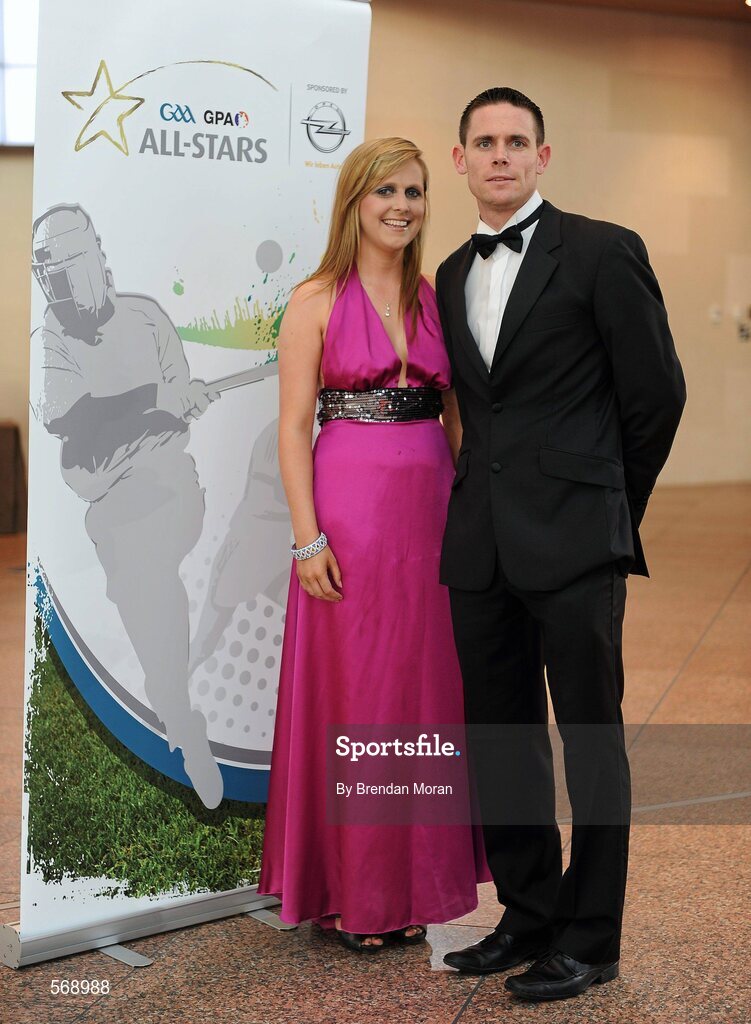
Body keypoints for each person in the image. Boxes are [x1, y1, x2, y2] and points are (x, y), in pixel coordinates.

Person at [437, 89, 685, 1000]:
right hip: (479, 547)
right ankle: (528, 915)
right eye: (483, 142)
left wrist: (608, 505)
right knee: (501, 741)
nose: (499, 156)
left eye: (515, 142)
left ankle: (592, 939)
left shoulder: (603, 249)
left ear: (543, 157)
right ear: (459, 158)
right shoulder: (451, 272)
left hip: (575, 540)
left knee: (589, 742)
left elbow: (656, 392)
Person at [257, 138, 489, 952]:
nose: (402, 205)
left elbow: (456, 416)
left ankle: (417, 885)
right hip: (347, 521)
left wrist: (475, 510)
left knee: (423, 698)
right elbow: (290, 429)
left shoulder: (435, 299)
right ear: (355, 200)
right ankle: (356, 893)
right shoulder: (314, 299)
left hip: (429, 517)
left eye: (416, 192)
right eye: (386, 190)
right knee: (357, 698)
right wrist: (304, 538)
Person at [31, 203, 224, 809]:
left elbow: (176, 405)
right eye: (47, 277)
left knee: (142, 560)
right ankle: (172, 708)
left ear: (94, 261)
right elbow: (71, 416)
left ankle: (175, 714)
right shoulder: (50, 338)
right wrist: (155, 399)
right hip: (104, 503)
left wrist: (177, 402)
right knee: (130, 565)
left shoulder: (146, 318)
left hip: (168, 483)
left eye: (65, 271)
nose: (56, 288)